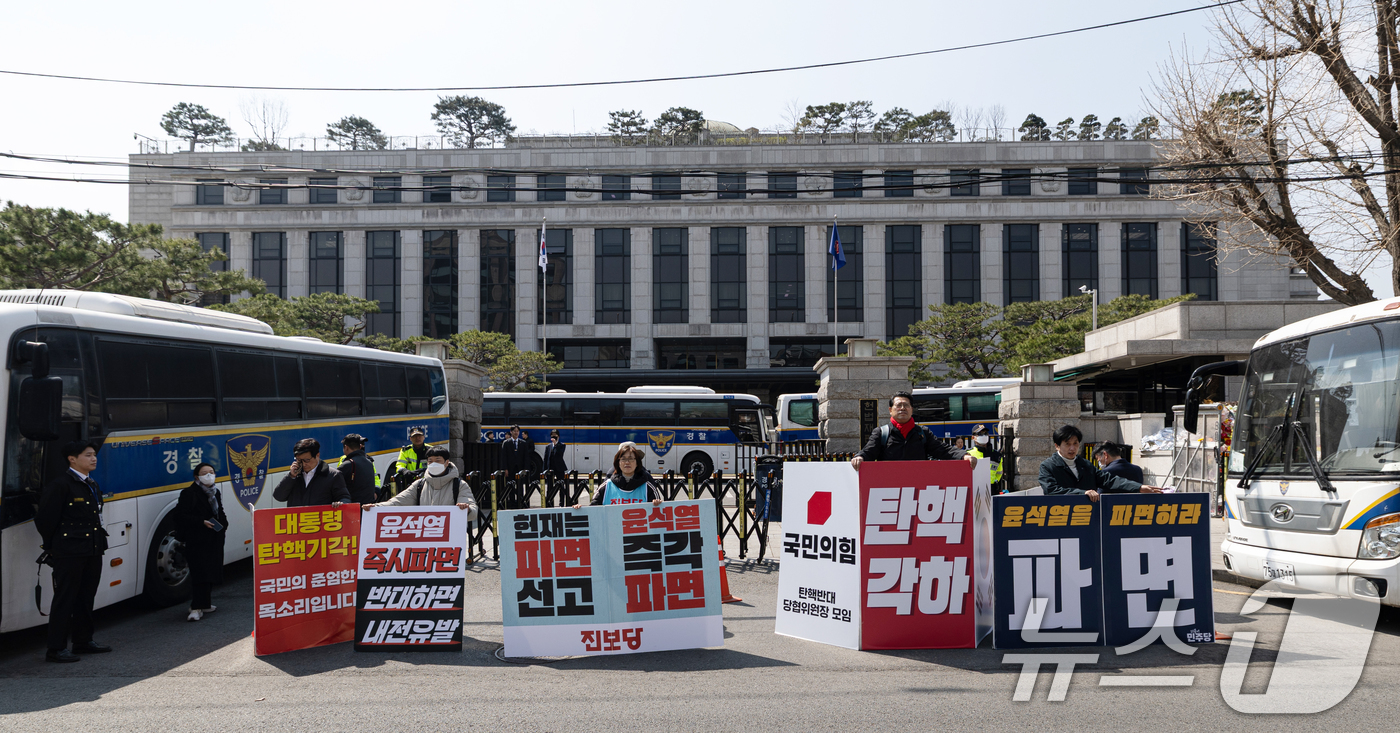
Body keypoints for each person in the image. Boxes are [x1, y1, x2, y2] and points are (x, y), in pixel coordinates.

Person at [35, 440, 111, 663]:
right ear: (72, 459)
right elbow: (45, 520)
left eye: (94, 454)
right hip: (69, 552)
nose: (94, 458)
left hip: (93, 549)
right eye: (88, 455)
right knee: (65, 599)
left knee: (86, 596)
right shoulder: (61, 485)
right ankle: (56, 649)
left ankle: (83, 641)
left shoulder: (91, 484)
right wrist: (53, 547)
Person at [851, 392, 978, 472]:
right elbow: (869, 451)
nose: (902, 408)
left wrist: (963, 455)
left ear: (911, 409)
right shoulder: (881, 433)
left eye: (906, 405)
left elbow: (943, 450)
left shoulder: (923, 433)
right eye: (898, 405)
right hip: (888, 485)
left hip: (917, 486)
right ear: (890, 410)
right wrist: (859, 457)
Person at [1040, 425, 1163, 501]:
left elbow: (1109, 480)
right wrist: (1083, 493)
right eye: (1067, 444)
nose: (1072, 448)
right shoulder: (1048, 466)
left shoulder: (1085, 464)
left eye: (1075, 443)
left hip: (1087, 517)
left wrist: (1139, 487)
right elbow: (1051, 490)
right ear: (1057, 446)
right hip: (1060, 517)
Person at [175, 462, 228, 622]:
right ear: (197, 477)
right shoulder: (189, 493)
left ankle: (205, 604)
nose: (209, 475)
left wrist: (224, 525)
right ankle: (196, 607)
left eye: (211, 472)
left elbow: (219, 511)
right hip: (197, 539)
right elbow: (180, 516)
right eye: (204, 473)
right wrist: (201, 522)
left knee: (211, 571)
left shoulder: (214, 492)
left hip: (214, 538)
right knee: (200, 573)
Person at [364, 446, 477, 519]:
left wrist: (466, 509)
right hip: (425, 538)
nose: (433, 464)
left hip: (450, 540)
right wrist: (376, 507)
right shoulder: (419, 485)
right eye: (430, 461)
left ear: (447, 462)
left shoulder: (459, 485)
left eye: (438, 460)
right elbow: (397, 502)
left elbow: (473, 511)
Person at [574, 443, 664, 507]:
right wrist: (580, 510)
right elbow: (593, 510)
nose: (627, 462)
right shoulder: (606, 486)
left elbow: (659, 514)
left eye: (631, 459)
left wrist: (657, 504)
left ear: (637, 463)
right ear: (618, 463)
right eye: (623, 459)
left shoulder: (647, 487)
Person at [272, 438, 351, 508]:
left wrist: (340, 503)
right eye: (299, 460)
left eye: (307, 460)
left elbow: (345, 498)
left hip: (319, 521)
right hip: (297, 521)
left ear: (317, 455)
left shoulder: (333, 475)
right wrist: (291, 476)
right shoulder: (295, 475)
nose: (303, 464)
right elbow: (279, 496)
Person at [337, 434, 379, 505]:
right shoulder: (369, 462)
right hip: (368, 508)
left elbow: (332, 483)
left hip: (354, 508)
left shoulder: (347, 465)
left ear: (346, 447)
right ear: (359, 446)